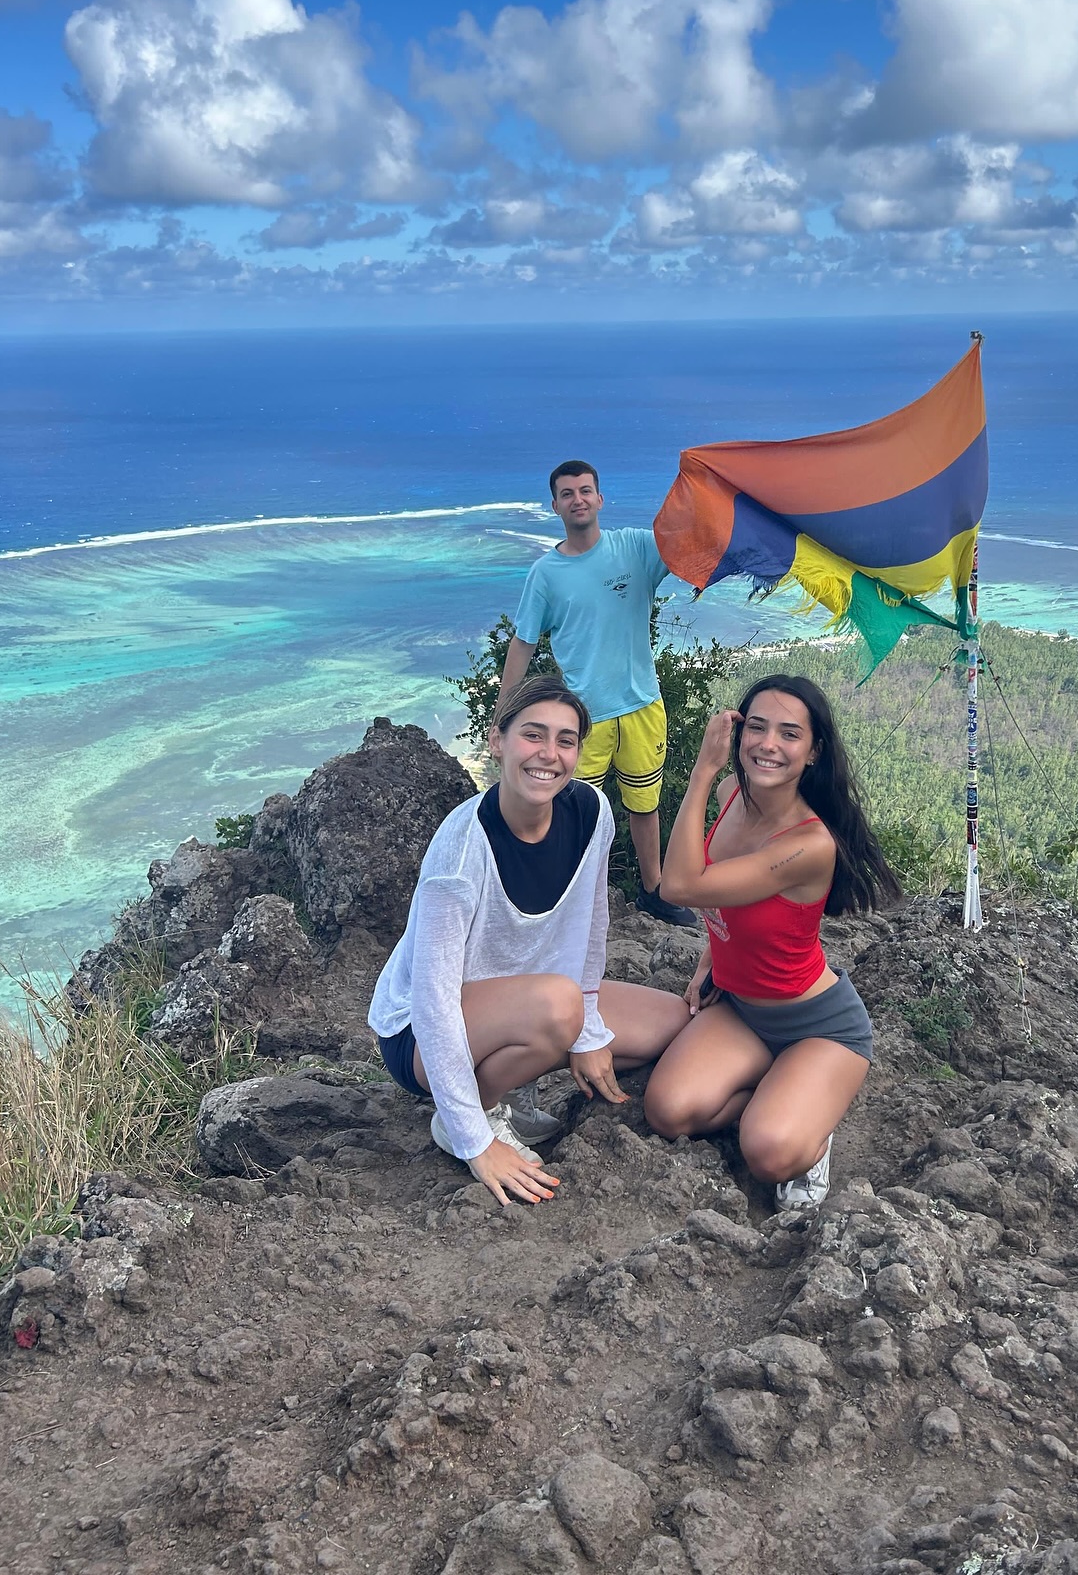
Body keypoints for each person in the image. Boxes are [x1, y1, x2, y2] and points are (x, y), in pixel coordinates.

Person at [368, 677, 690, 1206]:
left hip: (532, 999)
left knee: (669, 1022)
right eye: (532, 735)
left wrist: (587, 1033)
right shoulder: (462, 849)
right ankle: (477, 1109)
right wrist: (475, 1142)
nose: (549, 754)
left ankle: (521, 1069)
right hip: (419, 1033)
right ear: (497, 741)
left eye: (566, 740)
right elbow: (433, 999)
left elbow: (592, 926)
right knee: (559, 1006)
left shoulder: (591, 813)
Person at [643, 674, 901, 1209]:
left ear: (813, 752)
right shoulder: (730, 796)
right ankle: (782, 1091)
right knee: (667, 1112)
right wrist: (711, 958)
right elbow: (730, 900)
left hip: (819, 1027)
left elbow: (680, 886)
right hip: (742, 1010)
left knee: (769, 1154)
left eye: (789, 733)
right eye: (756, 727)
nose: (768, 744)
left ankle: (812, 1129)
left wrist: (701, 771)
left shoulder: (809, 845)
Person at [496, 460, 696, 930]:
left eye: (585, 490)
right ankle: (570, 897)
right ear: (555, 506)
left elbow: (688, 542)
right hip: (582, 717)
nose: (578, 499)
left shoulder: (635, 548)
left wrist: (712, 488)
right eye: (567, 494)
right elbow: (523, 643)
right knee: (571, 809)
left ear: (600, 499)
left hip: (642, 703)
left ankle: (653, 891)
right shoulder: (546, 574)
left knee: (644, 806)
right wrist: (504, 717)